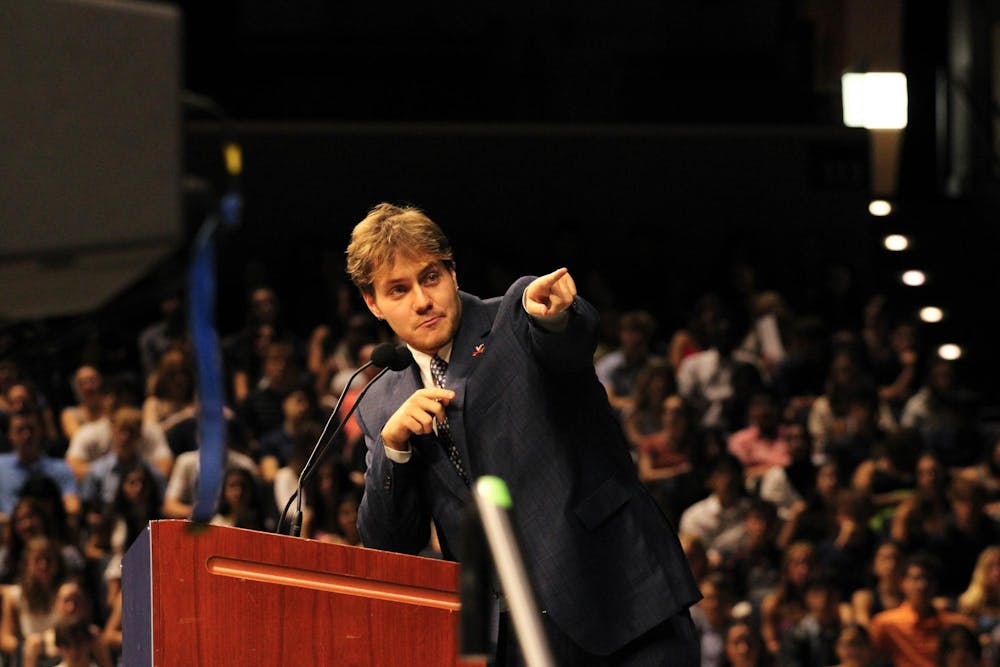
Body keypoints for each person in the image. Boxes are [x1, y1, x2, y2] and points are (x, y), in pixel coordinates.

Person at [346, 202, 701, 664]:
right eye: (398, 289)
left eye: (430, 277)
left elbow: (569, 340)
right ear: (373, 303)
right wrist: (394, 451)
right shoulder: (379, 402)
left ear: (453, 272)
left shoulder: (515, 316)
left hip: (617, 597)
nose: (421, 300)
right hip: (509, 641)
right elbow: (389, 545)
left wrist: (555, 316)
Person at [869, 552, 975, 667]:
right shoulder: (885, 624)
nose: (922, 585)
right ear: (902, 583)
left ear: (936, 584)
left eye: (928, 579)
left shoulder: (956, 625)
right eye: (916, 579)